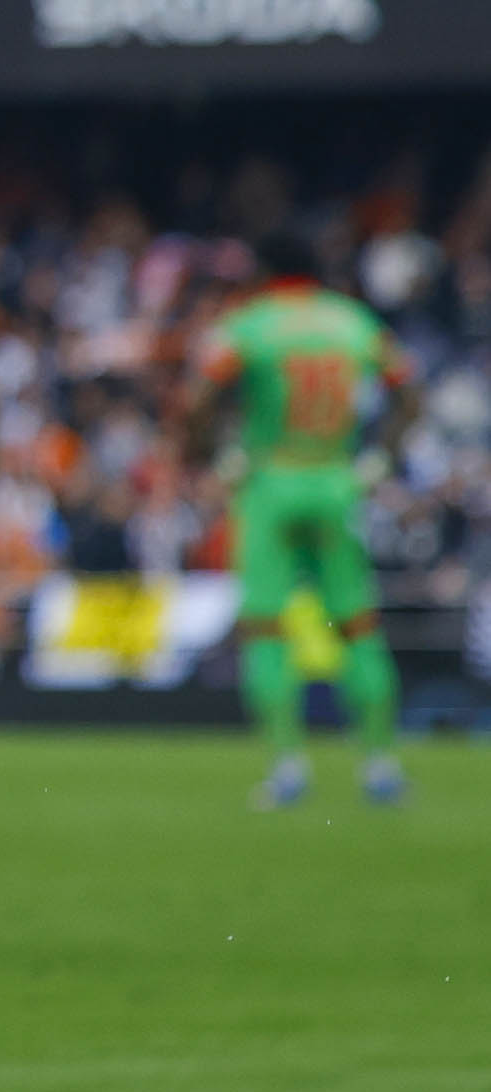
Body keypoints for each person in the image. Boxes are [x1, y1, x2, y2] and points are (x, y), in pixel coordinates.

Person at [185, 229, 420, 810]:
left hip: (270, 480)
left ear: (265, 272)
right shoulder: (353, 322)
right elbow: (408, 393)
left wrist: (212, 455)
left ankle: (287, 765)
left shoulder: (250, 324)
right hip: (337, 479)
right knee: (357, 623)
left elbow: (197, 398)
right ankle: (379, 763)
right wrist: (381, 456)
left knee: (267, 627)